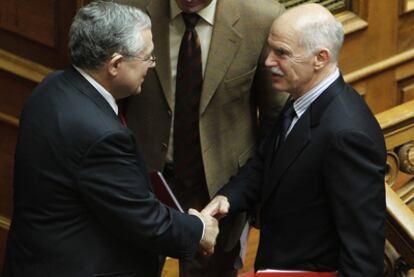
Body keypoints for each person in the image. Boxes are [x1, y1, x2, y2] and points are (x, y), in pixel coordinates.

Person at [2, 2, 219, 277]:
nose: (152, 66)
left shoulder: (52, 85)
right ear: (115, 64)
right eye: (148, 57)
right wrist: (199, 229)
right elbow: (145, 220)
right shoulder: (101, 136)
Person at [204, 3, 387, 276]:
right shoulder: (302, 99)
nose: (267, 62)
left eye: (282, 53)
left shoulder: (348, 135)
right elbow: (267, 161)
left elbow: (362, 252)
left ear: (320, 58)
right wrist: (228, 197)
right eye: (270, 48)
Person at [114, 0, 288, 276]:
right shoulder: (127, 7)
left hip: (218, 189)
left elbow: (274, 117)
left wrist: (257, 194)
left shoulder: (261, 18)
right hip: (142, 179)